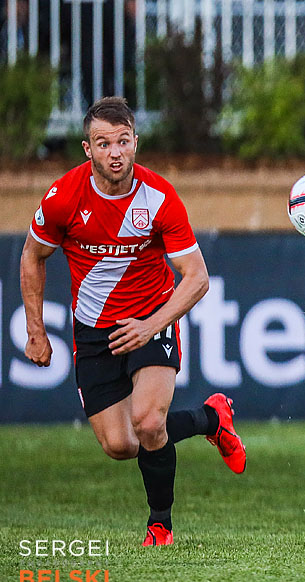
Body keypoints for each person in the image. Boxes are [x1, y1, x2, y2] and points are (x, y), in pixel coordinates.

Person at [19, 96, 246, 547]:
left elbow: (197, 278)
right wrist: (36, 331)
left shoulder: (159, 197)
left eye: (123, 141)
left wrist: (151, 324)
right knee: (121, 445)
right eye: (104, 144)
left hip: (151, 317)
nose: (115, 152)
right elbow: (33, 256)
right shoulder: (64, 197)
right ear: (88, 150)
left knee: (147, 422)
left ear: (136, 143)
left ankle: (160, 524)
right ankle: (210, 418)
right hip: (93, 331)